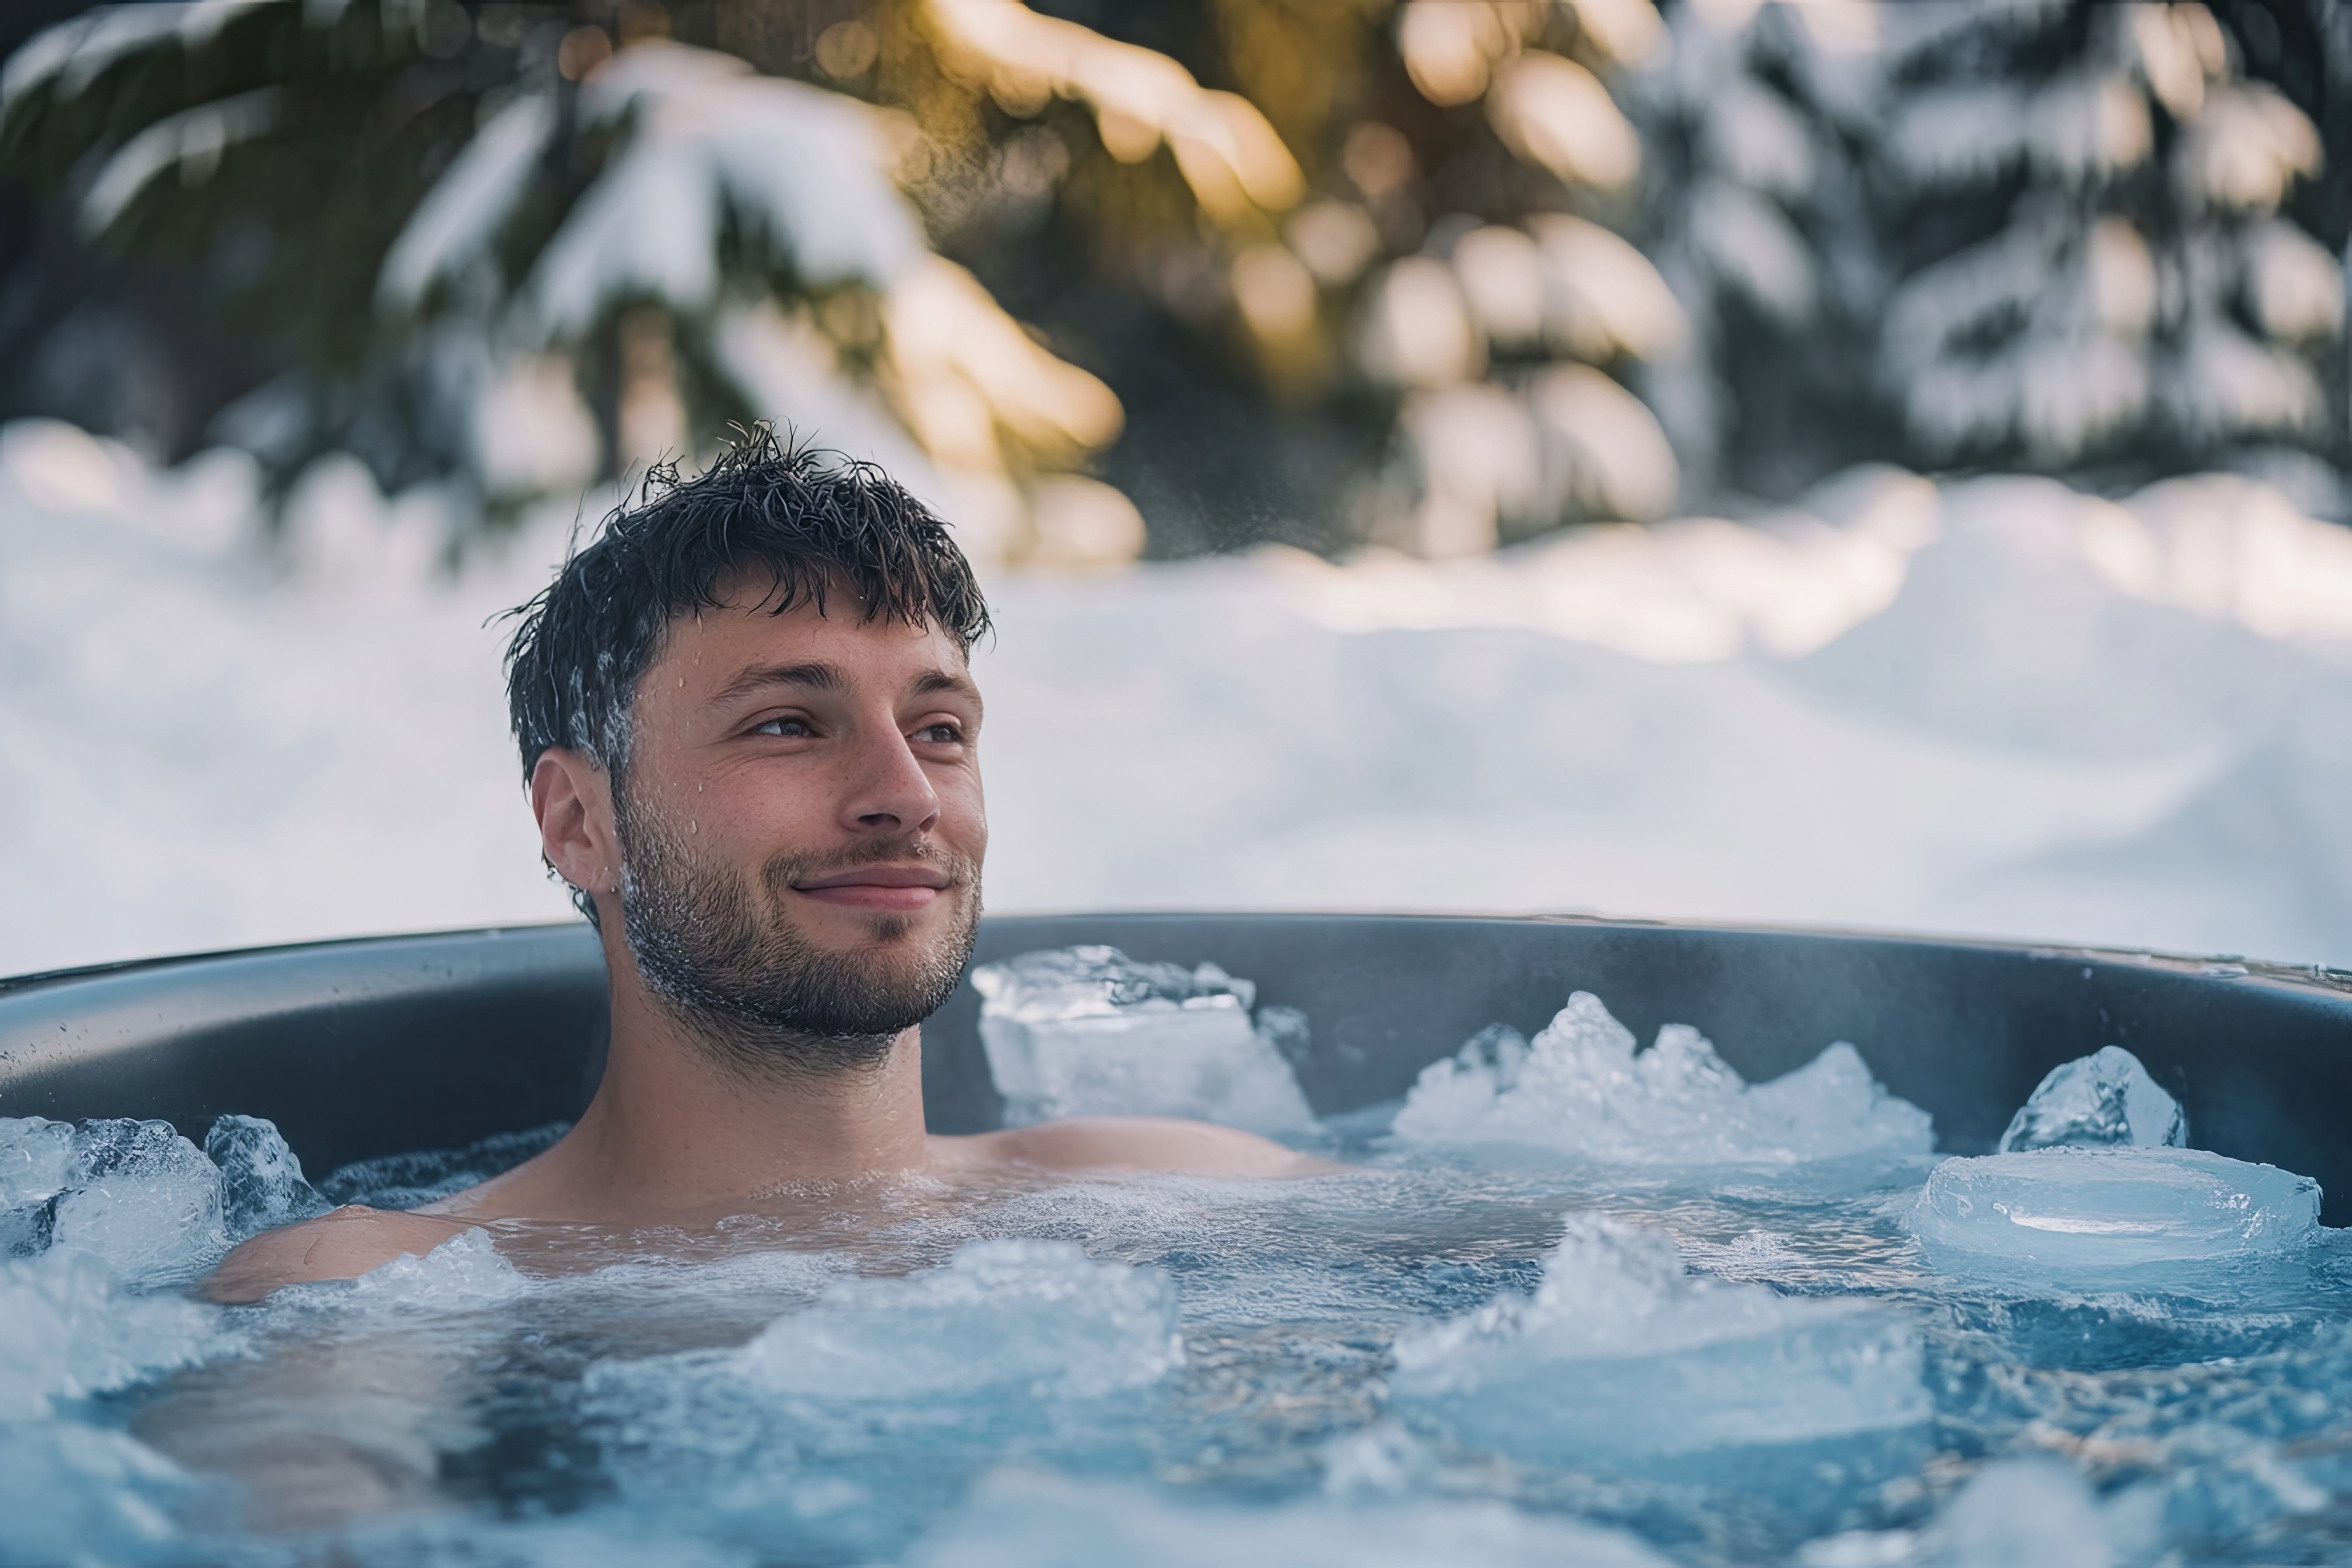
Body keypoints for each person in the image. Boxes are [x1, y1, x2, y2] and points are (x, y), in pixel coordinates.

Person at [208, 435, 1318, 1304]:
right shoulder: (372, 1293)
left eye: (938, 729)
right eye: (789, 724)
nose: (907, 793)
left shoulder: (1176, 1192)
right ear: (581, 822)